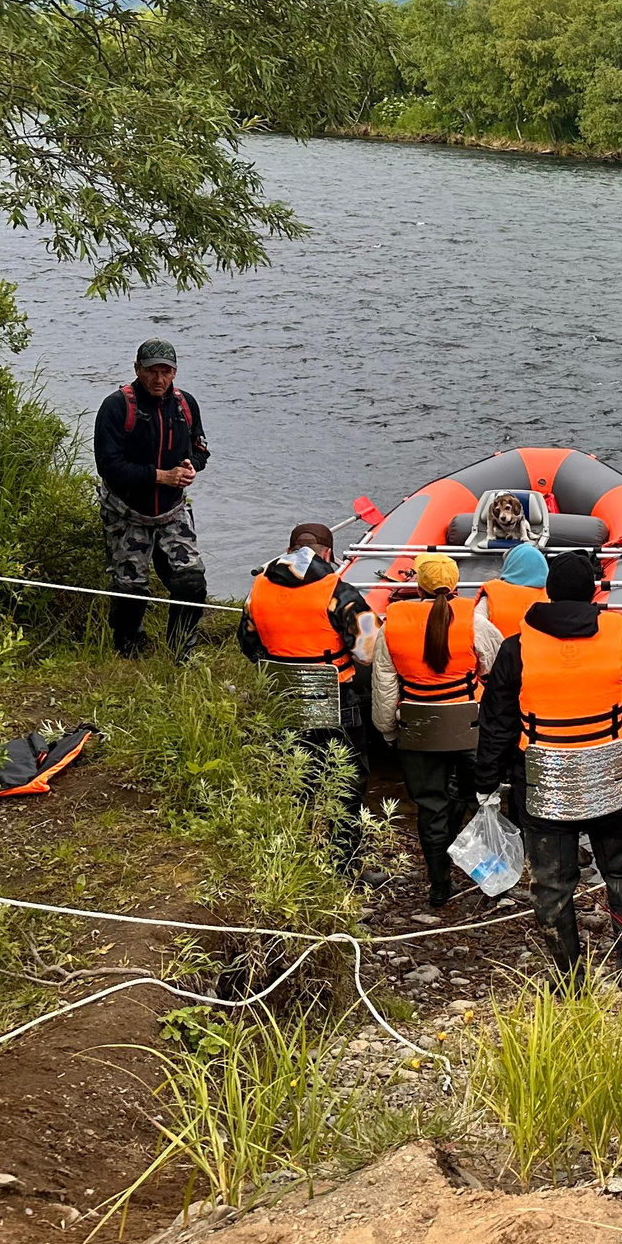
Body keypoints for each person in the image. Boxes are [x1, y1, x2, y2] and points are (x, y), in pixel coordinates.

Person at [472, 551, 622, 984]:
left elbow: (496, 723)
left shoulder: (516, 648)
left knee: (552, 882)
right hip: (610, 777)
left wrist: (486, 782)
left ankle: (568, 975)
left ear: (548, 593)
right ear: (593, 593)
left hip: (543, 783)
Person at [238, 522, 375, 874]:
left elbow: (248, 645)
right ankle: (344, 862)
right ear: (328, 553)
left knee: (292, 773)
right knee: (347, 776)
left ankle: (293, 855)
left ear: (288, 550)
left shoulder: (258, 588)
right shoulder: (338, 591)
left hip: (282, 695)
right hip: (334, 695)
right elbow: (367, 650)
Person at [370, 554, 496, 909]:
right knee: (477, 798)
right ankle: (486, 873)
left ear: (418, 586)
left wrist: (388, 730)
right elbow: (494, 664)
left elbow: (384, 687)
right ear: (455, 584)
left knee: (430, 806)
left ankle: (439, 885)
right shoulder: (475, 621)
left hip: (418, 729)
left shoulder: (391, 626)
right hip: (468, 727)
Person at [93, 339, 211, 658]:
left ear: (174, 372)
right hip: (126, 511)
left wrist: (191, 465)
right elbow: (108, 465)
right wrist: (161, 476)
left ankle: (180, 650)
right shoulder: (117, 406)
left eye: (166, 372)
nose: (159, 379)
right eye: (152, 371)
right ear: (137, 370)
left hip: (172, 510)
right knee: (131, 590)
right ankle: (129, 648)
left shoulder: (185, 405)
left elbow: (200, 448)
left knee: (191, 581)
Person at [476, 541, 550, 641]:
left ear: (511, 565)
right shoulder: (551, 597)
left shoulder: (493, 593)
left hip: (499, 649)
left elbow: (476, 627)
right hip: (538, 650)